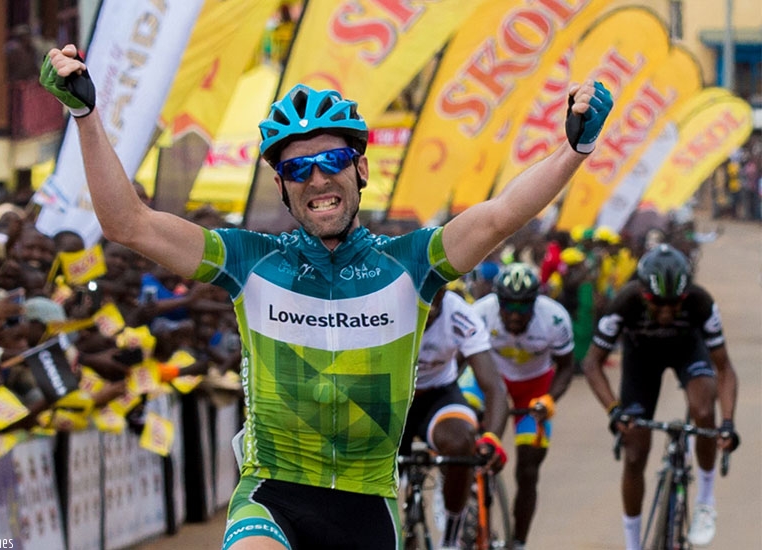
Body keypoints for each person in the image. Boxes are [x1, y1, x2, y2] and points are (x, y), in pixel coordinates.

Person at [39, 43, 612, 549]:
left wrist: (573, 152)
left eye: (333, 161)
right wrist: (85, 116)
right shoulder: (248, 261)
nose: (317, 178)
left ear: (360, 168)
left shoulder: (412, 263)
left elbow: (502, 215)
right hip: (273, 494)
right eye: (298, 168)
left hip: (367, 505)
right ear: (282, 185)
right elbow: (128, 224)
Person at [582, 244, 740, 550]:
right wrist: (614, 410)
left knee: (704, 412)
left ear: (685, 295)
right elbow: (591, 363)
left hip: (687, 351)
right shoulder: (625, 302)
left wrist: (729, 423)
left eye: (674, 304)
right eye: (657, 304)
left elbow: (724, 369)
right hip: (641, 361)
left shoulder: (700, 301)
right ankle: (633, 544)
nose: (666, 313)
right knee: (635, 452)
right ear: (642, 294)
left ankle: (706, 500)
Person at [468, 263, 575, 550]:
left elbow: (566, 367)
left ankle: (519, 542)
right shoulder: (479, 313)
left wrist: (549, 399)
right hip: (489, 381)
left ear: (535, 303)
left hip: (534, 387)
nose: (515, 315)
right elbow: (457, 360)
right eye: (509, 307)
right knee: (461, 424)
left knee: (528, 470)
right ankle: (460, 494)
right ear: (497, 301)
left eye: (523, 308)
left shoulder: (554, 319)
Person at [402, 287, 508, 549]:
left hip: (437, 395)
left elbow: (494, 387)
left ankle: (450, 539)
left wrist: (492, 438)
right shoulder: (382, 303)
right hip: (391, 398)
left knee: (462, 444)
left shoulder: (459, 313)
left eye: (437, 290)